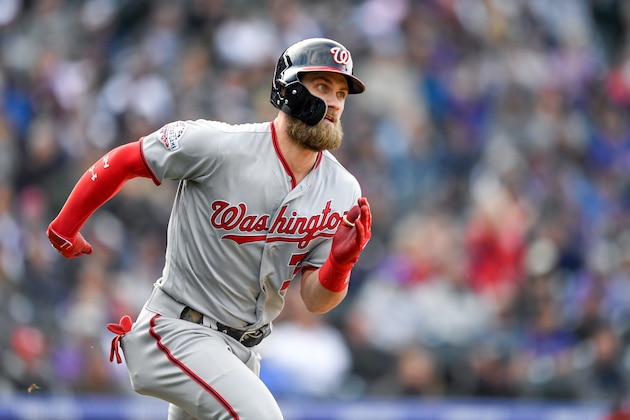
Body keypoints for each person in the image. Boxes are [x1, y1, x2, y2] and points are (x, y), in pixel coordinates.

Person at [46, 37, 372, 420]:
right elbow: (127, 160)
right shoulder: (220, 146)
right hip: (177, 331)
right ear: (287, 90)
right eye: (322, 87)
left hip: (242, 352)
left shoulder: (343, 189)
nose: (334, 102)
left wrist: (341, 262)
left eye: (341, 93)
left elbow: (317, 301)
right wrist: (66, 225)